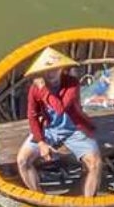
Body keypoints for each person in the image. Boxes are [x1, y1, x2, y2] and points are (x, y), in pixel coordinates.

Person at [13, 46, 103, 197]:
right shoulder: (35, 89)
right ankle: (40, 197)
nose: (51, 73)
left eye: (55, 69)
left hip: (74, 129)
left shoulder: (72, 84)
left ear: (62, 69)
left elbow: (60, 108)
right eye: (47, 70)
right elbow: (32, 116)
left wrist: (44, 90)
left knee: (96, 163)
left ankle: (89, 202)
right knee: (22, 160)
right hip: (48, 129)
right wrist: (41, 143)